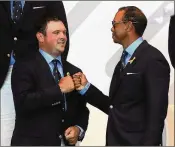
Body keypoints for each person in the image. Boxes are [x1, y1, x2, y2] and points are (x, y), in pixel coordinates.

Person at [73, 6, 170, 145]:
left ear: (129, 26)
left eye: (114, 24)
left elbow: (156, 114)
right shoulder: (123, 62)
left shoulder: (152, 59)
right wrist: (86, 88)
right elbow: (115, 107)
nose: (112, 28)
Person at [10, 16, 89, 146]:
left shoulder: (74, 70)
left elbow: (82, 109)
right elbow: (23, 103)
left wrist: (78, 129)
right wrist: (59, 90)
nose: (63, 36)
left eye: (64, 32)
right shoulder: (24, 66)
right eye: (56, 32)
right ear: (40, 37)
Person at [0, 1, 69, 145]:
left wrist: (56, 71)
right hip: (4, 73)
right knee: (4, 135)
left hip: (37, 73)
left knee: (40, 128)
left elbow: (61, 34)